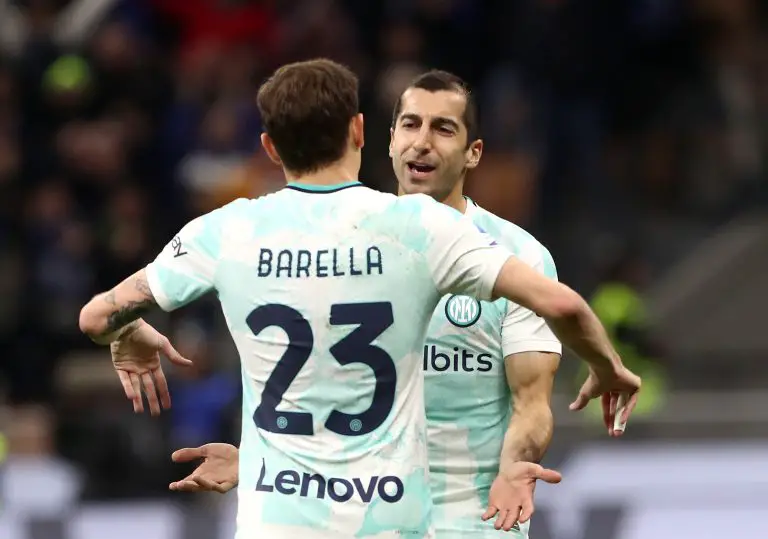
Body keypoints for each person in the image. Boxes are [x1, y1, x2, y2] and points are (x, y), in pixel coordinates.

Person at [79, 59, 640, 539]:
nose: (422, 141)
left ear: (473, 153)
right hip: (389, 513)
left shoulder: (240, 230)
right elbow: (328, 395)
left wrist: (518, 466)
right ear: (373, 133)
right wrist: (256, 459)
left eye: (443, 129)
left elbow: (531, 401)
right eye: (411, 124)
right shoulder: (403, 232)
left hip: (473, 516)